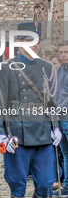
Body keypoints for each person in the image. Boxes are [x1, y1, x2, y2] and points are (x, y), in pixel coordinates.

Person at [0, 22, 62, 198]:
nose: (35, 44)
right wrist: (0, 135)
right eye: (30, 39)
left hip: (43, 133)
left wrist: (56, 126)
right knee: (18, 186)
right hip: (17, 134)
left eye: (37, 40)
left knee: (46, 184)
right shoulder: (6, 68)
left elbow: (50, 101)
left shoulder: (46, 67)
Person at [53, 40, 68, 196]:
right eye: (61, 52)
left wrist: (59, 109)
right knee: (65, 153)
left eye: (66, 52)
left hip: (65, 116)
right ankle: (67, 186)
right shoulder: (62, 68)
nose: (63, 55)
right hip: (59, 117)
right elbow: (58, 91)